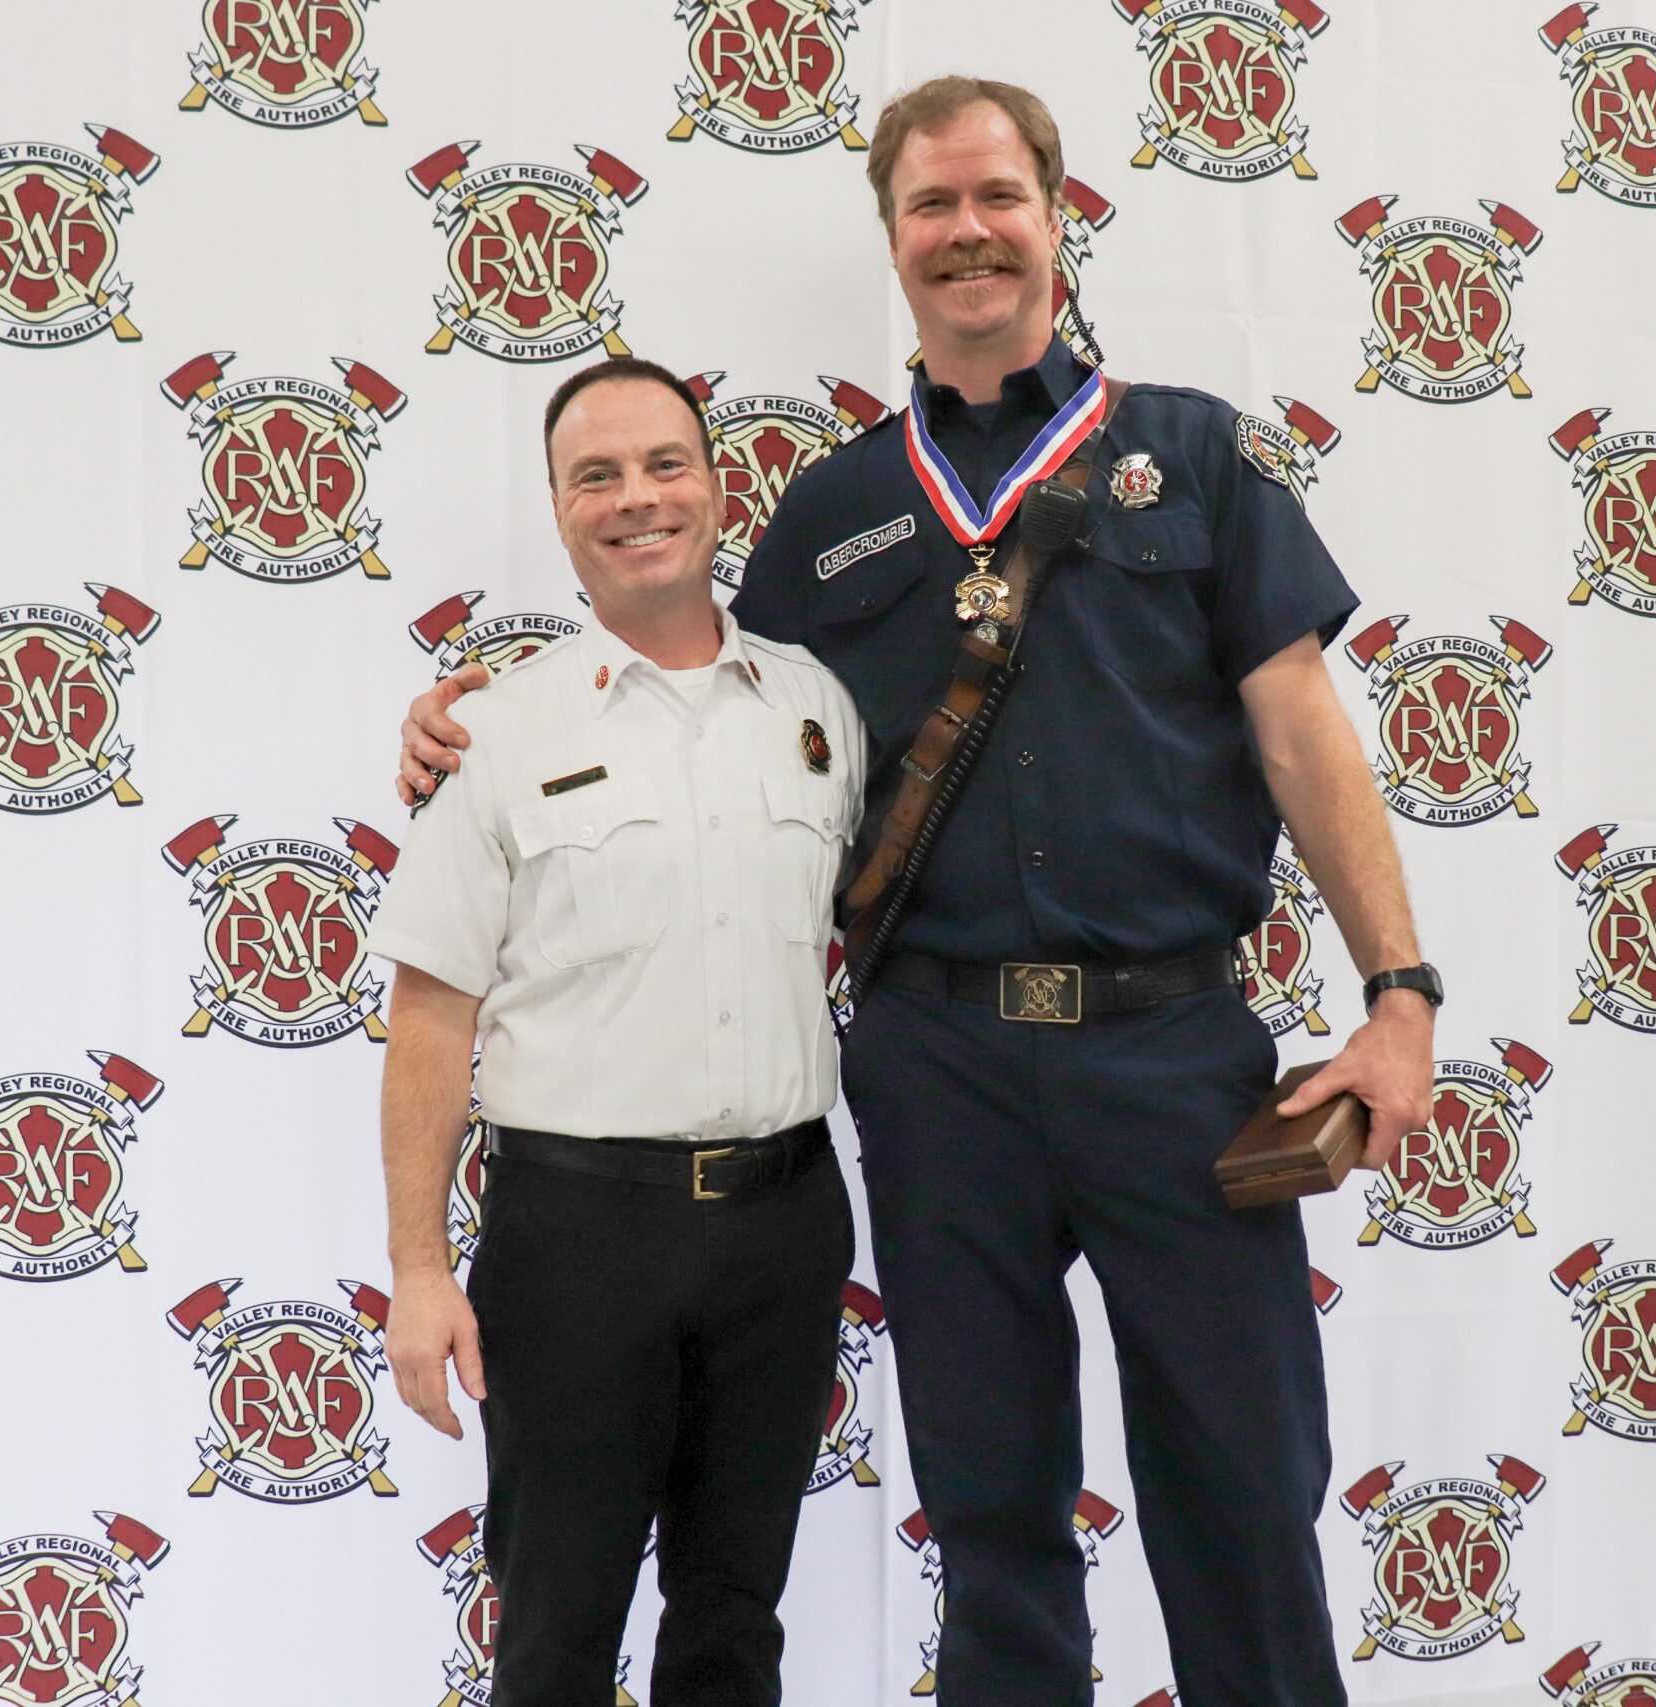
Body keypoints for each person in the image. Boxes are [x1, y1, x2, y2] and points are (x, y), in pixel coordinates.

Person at [397, 78, 1438, 1707]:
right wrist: (472, 721)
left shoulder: (1195, 458)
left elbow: (1306, 734)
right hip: (937, 1073)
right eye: (932, 208)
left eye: (997, 198)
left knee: (1243, 1490)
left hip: (1177, 1058)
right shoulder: (829, 513)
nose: (968, 233)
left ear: (1054, 213)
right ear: (893, 243)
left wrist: (1400, 996)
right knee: (992, 1497)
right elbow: (699, 692)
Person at [372, 357, 866, 1707]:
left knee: (732, 1620)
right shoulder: (493, 731)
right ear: (558, 509)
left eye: (665, 465)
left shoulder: (820, 711)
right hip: (577, 1238)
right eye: (598, 475)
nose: (637, 498)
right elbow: (429, 1015)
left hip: (783, 1223)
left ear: (717, 489)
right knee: (554, 1632)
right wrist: (420, 1270)